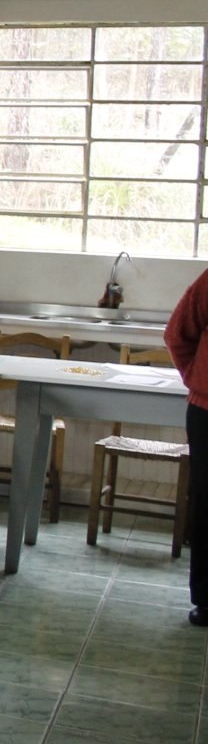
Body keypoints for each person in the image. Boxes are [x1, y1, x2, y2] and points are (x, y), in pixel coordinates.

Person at [164, 268, 208, 627]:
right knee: (207, 501)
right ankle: (206, 600)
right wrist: (197, 380)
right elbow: (178, 334)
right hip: (207, 409)